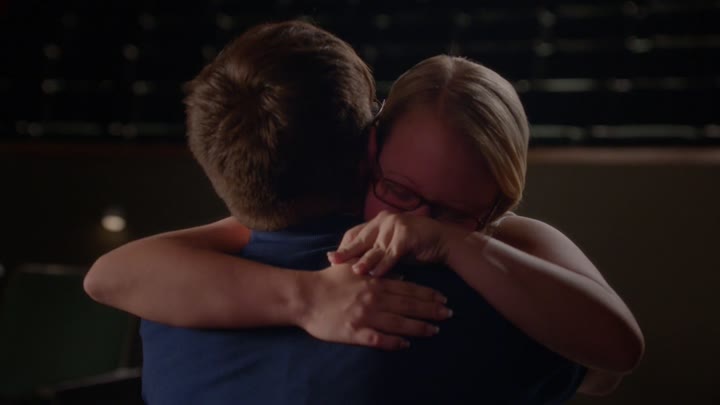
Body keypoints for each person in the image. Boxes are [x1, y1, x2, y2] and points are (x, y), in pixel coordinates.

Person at [84, 21, 643, 403]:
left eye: (458, 212)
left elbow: (613, 355)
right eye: (399, 190)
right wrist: (308, 298)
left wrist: (460, 242)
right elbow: (601, 370)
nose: (422, 220)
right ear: (370, 149)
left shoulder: (172, 306)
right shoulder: (441, 306)